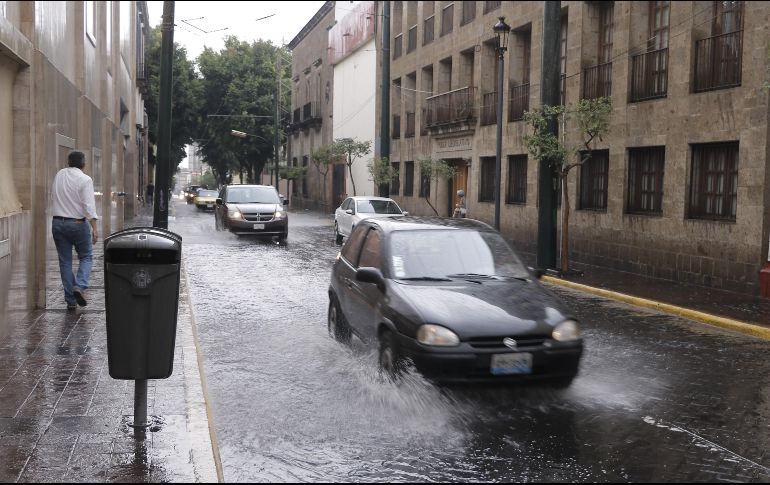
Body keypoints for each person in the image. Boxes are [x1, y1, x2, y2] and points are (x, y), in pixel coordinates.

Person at [51, 150, 99, 310]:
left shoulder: (59, 175)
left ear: (68, 162)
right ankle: (80, 285)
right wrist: (94, 228)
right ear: (83, 164)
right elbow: (88, 205)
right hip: (77, 223)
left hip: (57, 222)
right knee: (86, 257)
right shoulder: (85, 179)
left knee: (65, 262)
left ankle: (71, 301)